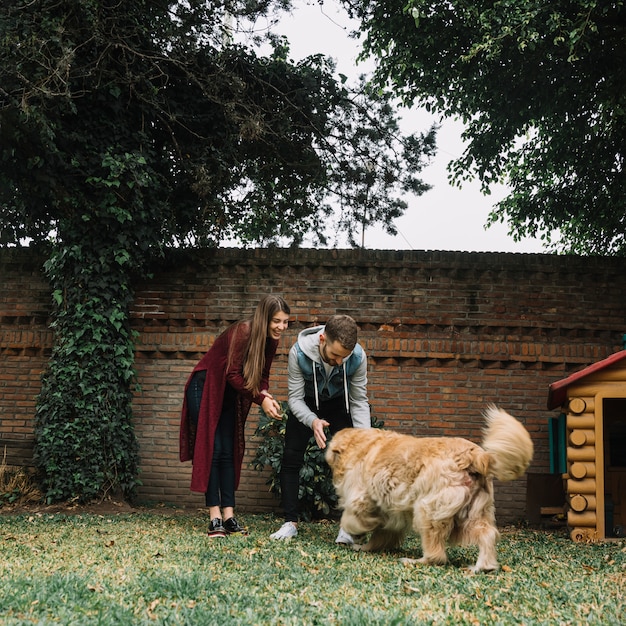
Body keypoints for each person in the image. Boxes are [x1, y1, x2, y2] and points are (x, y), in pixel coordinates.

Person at [180, 295, 290, 538]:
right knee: (215, 448)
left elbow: (263, 375)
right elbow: (231, 373)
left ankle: (229, 517)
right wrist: (260, 399)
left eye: (285, 322)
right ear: (264, 318)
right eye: (277, 321)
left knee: (229, 451)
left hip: (229, 391)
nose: (282, 327)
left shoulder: (271, 340)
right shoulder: (243, 331)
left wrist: (265, 394)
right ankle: (215, 517)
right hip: (205, 386)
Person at [270, 314, 370, 544]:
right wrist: (312, 420)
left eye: (344, 357)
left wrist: (365, 438)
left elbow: (358, 400)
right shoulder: (299, 352)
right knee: (291, 458)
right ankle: (290, 523)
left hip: (339, 403)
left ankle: (347, 527)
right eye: (335, 355)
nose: (339, 362)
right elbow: (294, 398)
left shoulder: (357, 357)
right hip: (306, 402)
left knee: (352, 461)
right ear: (322, 339)